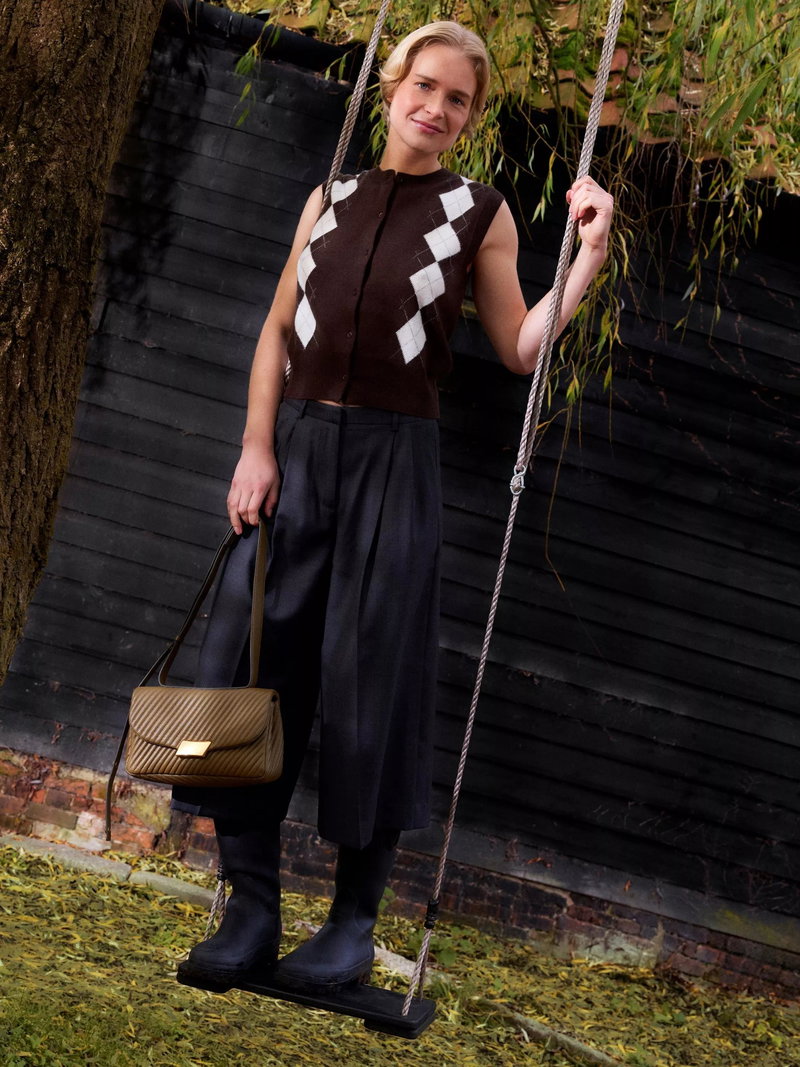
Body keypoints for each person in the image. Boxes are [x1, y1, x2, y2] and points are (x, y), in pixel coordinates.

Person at [173, 21, 613, 994]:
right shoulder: (328, 197)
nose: (436, 107)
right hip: (295, 454)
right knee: (240, 666)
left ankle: (348, 924)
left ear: (470, 117)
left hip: (391, 465)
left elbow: (521, 346)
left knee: (372, 679)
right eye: (424, 86)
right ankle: (248, 905)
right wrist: (254, 447)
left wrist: (585, 254)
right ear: (391, 89)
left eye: (458, 99)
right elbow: (277, 329)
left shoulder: (478, 211)